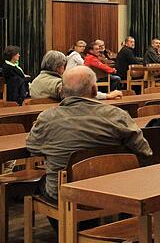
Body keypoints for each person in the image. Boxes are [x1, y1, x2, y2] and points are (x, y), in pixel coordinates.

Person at [26, 66, 152, 201]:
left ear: (62, 91)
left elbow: (32, 148)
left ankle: (67, 221)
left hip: (66, 193)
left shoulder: (47, 118)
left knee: (42, 183)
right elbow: (144, 151)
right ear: (95, 90)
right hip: (112, 189)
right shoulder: (117, 115)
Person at [30, 51, 121, 100]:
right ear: (59, 67)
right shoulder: (57, 84)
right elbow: (80, 95)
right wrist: (107, 96)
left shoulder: (35, 81)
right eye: (64, 66)